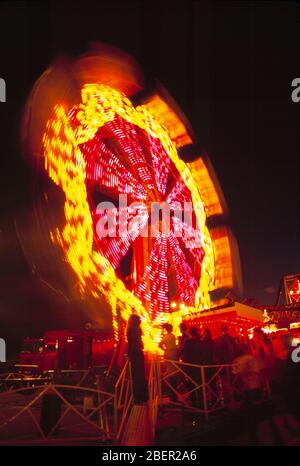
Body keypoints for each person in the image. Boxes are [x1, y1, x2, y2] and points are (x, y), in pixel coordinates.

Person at [126, 314, 148, 404]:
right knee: (141, 375)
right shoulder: (138, 329)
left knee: (135, 376)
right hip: (139, 353)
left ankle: (137, 397)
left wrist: (128, 354)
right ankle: (143, 396)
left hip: (134, 353)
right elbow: (139, 343)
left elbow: (130, 342)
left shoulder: (130, 329)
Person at [159, 323, 178, 402]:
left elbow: (159, 345)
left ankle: (172, 395)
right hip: (173, 353)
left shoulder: (165, 337)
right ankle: (174, 395)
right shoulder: (173, 336)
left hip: (167, 354)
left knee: (170, 372)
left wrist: (165, 350)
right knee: (173, 372)